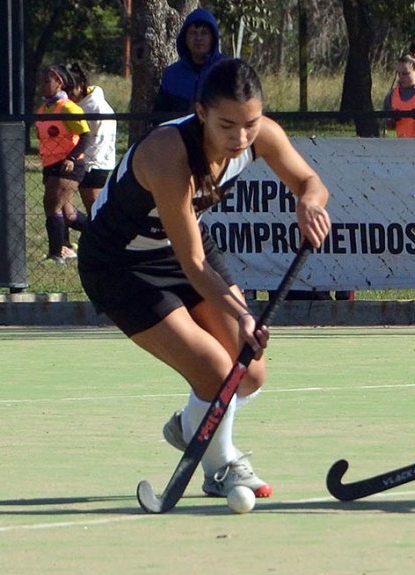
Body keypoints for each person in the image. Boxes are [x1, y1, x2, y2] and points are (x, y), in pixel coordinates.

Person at [77, 59, 331, 498]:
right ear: (201, 112)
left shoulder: (259, 135)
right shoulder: (167, 153)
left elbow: (310, 180)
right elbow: (193, 263)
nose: (240, 138)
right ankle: (221, 467)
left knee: (249, 374)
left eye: (250, 123)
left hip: (179, 246)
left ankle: (194, 424)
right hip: (120, 264)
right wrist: (243, 314)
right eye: (227, 125)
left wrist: (309, 202)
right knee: (218, 371)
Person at [36, 64, 90, 264]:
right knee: (69, 215)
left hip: (67, 165)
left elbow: (85, 136)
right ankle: (101, 234)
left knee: (51, 205)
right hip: (50, 164)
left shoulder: (68, 108)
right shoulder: (43, 109)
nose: (43, 85)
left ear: (59, 82)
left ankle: (56, 254)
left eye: (47, 81)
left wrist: (72, 158)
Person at [153, 8, 227, 114]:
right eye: (193, 33)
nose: (198, 38)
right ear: (185, 39)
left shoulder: (227, 69)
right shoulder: (171, 75)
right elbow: (159, 118)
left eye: (204, 33)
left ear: (213, 38)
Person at [67, 63, 117, 213]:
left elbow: (92, 139)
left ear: (81, 85)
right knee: (65, 207)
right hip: (84, 161)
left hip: (94, 164)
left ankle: (103, 235)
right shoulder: (82, 103)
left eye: (71, 89)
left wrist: (85, 163)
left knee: (95, 210)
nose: (68, 94)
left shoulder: (94, 107)